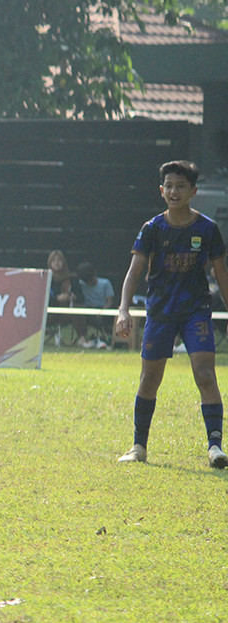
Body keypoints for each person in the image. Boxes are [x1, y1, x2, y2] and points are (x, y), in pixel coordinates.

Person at [115, 160, 228, 469]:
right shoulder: (152, 229)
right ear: (161, 190)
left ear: (193, 191)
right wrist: (123, 309)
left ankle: (215, 447)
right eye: (169, 186)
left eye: (181, 186)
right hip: (160, 313)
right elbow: (134, 271)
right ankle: (139, 446)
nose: (174, 191)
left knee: (205, 375)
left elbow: (221, 274)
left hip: (196, 313)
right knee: (150, 378)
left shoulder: (207, 229)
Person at [46, 250, 83, 346]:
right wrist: (57, 298)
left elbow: (81, 297)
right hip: (51, 313)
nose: (57, 263)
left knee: (77, 309)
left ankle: (82, 338)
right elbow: (42, 298)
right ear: (50, 263)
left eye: (59, 260)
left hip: (67, 312)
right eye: (54, 260)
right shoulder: (46, 279)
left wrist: (73, 297)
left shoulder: (72, 278)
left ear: (64, 262)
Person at [75, 261, 115, 349]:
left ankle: (106, 336)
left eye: (90, 280)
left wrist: (102, 312)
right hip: (87, 310)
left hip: (102, 309)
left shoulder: (105, 283)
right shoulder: (81, 283)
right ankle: (83, 338)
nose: (89, 284)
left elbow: (110, 302)